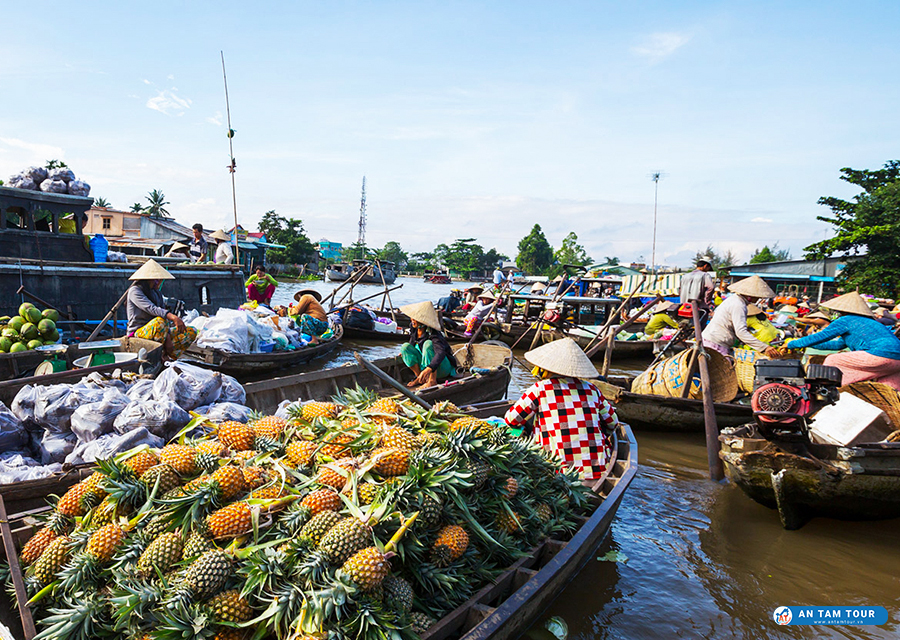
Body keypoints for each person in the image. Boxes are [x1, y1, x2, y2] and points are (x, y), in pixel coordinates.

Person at [504, 338, 619, 481]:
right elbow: (613, 423)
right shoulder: (592, 389)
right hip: (595, 474)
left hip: (556, 476)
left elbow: (511, 419)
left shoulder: (540, 388)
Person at [784, 292, 900, 390]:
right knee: (886, 392)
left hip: (879, 354)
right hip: (897, 360)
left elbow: (820, 336)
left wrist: (792, 344)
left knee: (833, 360)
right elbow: (837, 345)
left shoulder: (846, 320)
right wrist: (808, 345)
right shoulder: (867, 322)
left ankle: (826, 392)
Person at [126, 259, 197, 360]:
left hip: (160, 331)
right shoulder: (135, 291)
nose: (159, 282)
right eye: (157, 279)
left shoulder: (156, 293)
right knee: (159, 322)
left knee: (191, 331)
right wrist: (173, 317)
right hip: (138, 333)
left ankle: (167, 356)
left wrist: (168, 338)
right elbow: (151, 308)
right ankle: (159, 356)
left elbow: (163, 316)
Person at [701, 275, 780, 359]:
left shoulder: (734, 300)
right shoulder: (739, 305)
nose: (758, 299)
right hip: (715, 342)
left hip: (712, 339)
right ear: (750, 296)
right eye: (757, 296)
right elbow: (741, 332)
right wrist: (764, 347)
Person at [398, 301, 457, 388]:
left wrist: (430, 368)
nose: (412, 320)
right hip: (425, 366)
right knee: (405, 347)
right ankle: (420, 378)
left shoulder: (434, 333)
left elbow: (440, 352)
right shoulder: (414, 328)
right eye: (412, 318)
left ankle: (432, 380)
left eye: (415, 319)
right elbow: (412, 341)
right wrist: (405, 352)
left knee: (428, 344)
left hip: (441, 367)